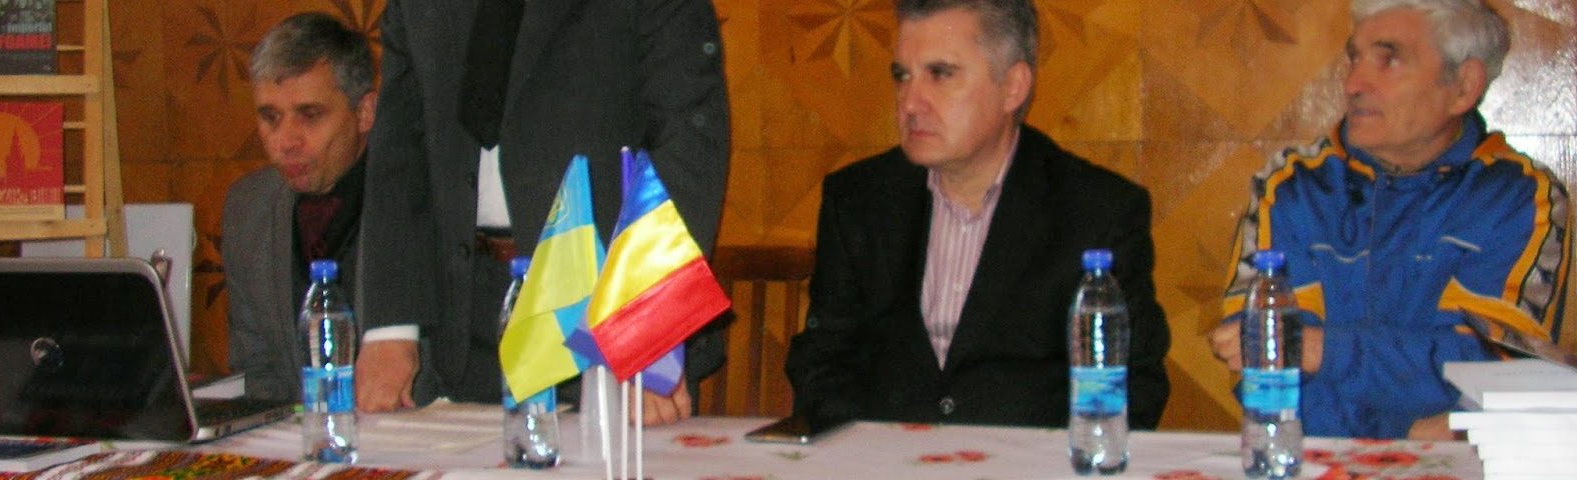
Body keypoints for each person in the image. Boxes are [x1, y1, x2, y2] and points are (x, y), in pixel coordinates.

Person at [785, 0, 1171, 428]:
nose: (910, 103)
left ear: (1013, 87)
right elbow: (824, 359)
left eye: (940, 74)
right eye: (902, 76)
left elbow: (1131, 383)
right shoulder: (858, 201)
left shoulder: (1097, 211)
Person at [1209, 0, 1572, 440]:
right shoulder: (1293, 186)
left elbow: (1489, 367)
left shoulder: (1518, 195)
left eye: (1389, 60)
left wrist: (1318, 349)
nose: (1353, 84)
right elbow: (1259, 366)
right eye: (1355, 59)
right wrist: (1406, 433)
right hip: (1311, 460)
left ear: (1463, 86)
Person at [358, 0, 731, 425]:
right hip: (456, 323)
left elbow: (688, 147)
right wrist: (390, 330)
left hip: (603, 309)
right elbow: (399, 152)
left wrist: (648, 329)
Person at [223, 12, 376, 402]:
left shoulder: (417, 200)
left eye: (310, 115)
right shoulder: (248, 209)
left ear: (364, 113)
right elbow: (256, 371)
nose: (285, 141)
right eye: (270, 117)